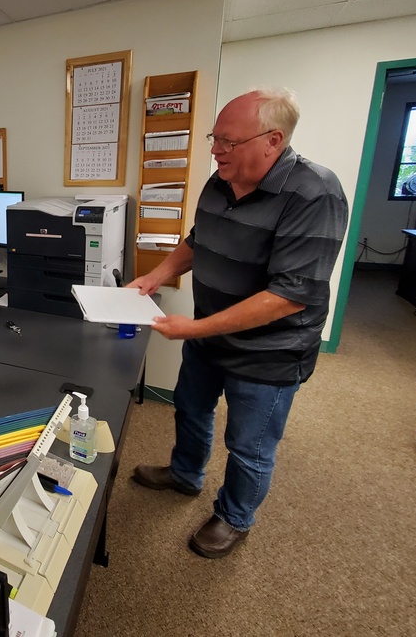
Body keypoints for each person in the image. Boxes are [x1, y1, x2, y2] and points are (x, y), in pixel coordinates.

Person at [127, 88, 347, 559]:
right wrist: (156, 275)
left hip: (270, 350)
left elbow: (290, 295)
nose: (215, 150)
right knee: (189, 408)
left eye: (227, 141)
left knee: (248, 443)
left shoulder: (315, 192)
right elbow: (196, 240)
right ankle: (185, 474)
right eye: (214, 138)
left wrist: (194, 329)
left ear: (273, 140)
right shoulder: (219, 180)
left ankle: (235, 517)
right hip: (209, 335)